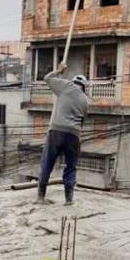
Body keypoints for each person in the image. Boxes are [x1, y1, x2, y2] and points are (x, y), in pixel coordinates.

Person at [37, 63, 88, 205]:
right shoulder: (85, 100)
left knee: (47, 162)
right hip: (73, 135)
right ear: (84, 87)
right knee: (71, 166)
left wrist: (59, 71)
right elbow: (83, 120)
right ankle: (68, 200)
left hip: (56, 131)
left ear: (74, 82)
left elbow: (47, 78)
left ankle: (40, 197)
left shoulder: (65, 86)